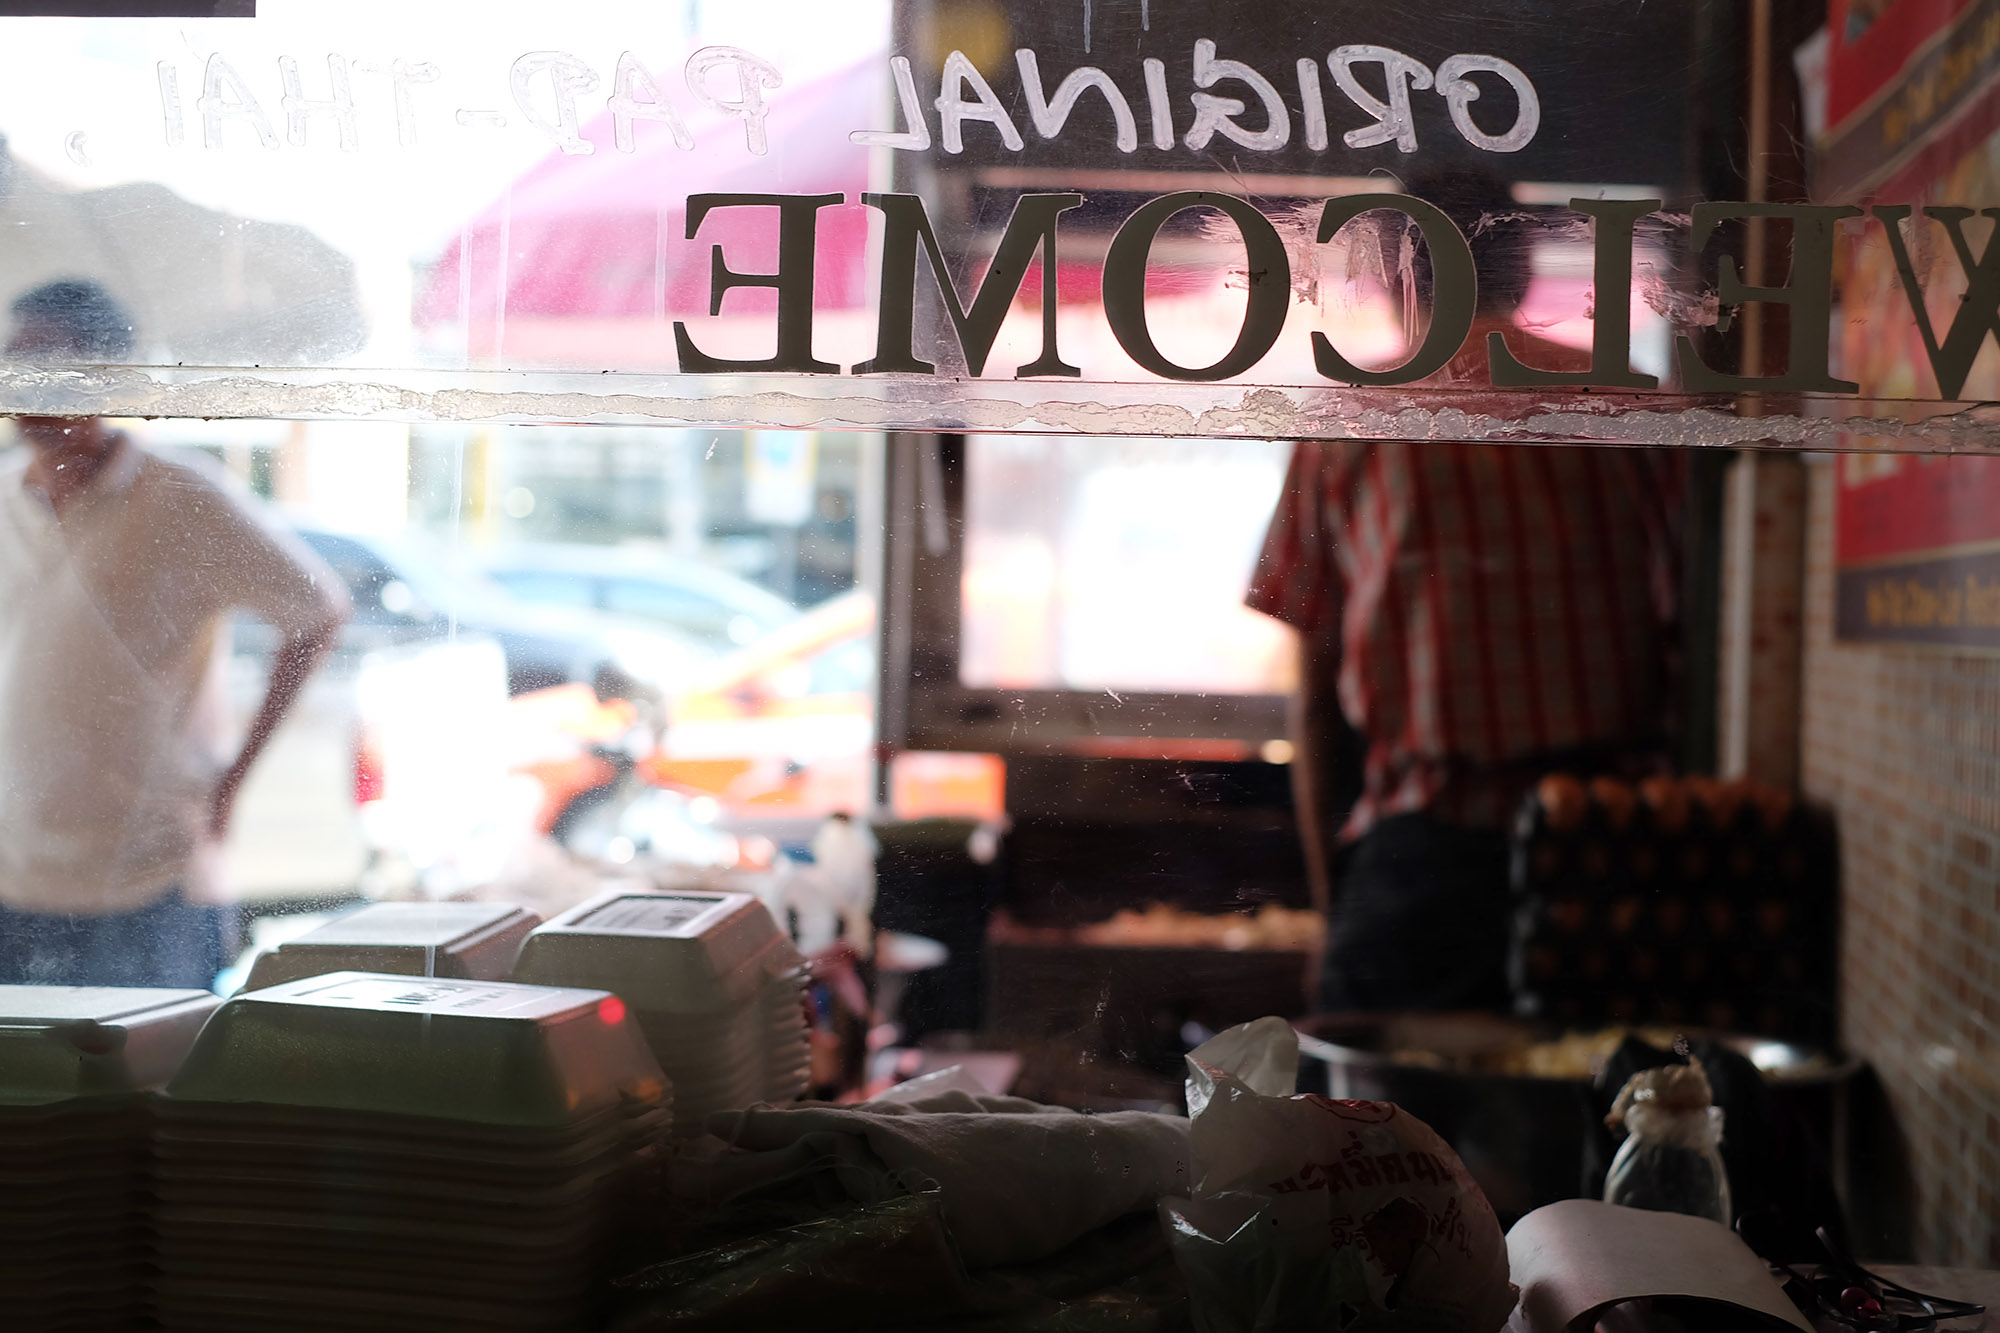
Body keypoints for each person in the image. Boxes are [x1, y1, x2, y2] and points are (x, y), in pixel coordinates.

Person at [1248, 177, 1680, 1013]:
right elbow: (1691, 646)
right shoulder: (1627, 406)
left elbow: (1315, 702)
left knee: (1389, 1133)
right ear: (1522, 272)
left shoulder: (1355, 421)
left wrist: (1335, 913)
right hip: (1609, 848)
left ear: (1391, 278)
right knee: (1591, 1127)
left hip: (1423, 856)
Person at [0, 279, 349, 989]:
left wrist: (231, 783)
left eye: (49, 362)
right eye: (15, 359)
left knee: (146, 1092)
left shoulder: (180, 494)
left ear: (105, 374)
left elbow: (319, 613)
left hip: (145, 879)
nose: (26, 383)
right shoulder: (5, 494)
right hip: (13, 877)